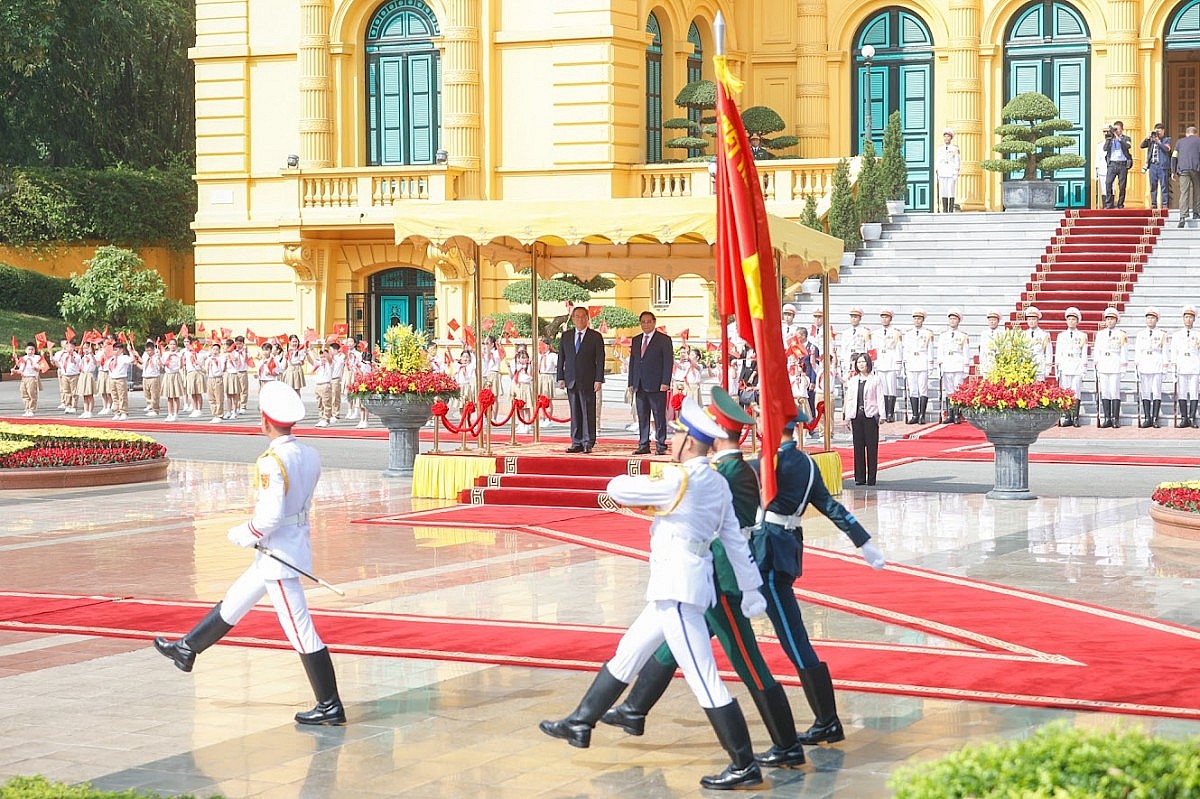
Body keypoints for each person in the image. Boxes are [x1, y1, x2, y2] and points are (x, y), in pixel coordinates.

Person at [538, 398, 769, 790]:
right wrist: (751, 590)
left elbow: (618, 488)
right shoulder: (715, 482)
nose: (673, 439)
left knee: (703, 678)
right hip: (675, 586)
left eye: (678, 434)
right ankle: (581, 722)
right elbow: (735, 543)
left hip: (678, 590)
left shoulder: (683, 480)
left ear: (690, 444)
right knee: (628, 653)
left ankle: (744, 763)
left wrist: (652, 479)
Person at [600, 388, 807, 770]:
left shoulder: (727, 474)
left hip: (723, 581)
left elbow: (714, 524)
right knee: (668, 644)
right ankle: (633, 708)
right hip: (707, 578)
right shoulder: (726, 471)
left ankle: (785, 744)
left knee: (748, 663)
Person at [154, 381, 345, 726]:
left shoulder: (273, 461)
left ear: (266, 421)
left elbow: (271, 516)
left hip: (279, 556)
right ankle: (187, 649)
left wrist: (245, 533)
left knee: (300, 629)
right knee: (236, 600)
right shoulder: (310, 453)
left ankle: (330, 704)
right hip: (288, 545)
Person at [750, 413, 886, 745]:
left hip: (767, 554)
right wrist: (863, 541)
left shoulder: (768, 463)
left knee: (794, 640)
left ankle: (827, 720)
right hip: (784, 549)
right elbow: (830, 506)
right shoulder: (809, 464)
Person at [557, 306, 605, 453]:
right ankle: (576, 441)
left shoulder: (595, 336)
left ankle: (588, 441)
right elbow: (561, 358)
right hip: (571, 379)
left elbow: (600, 360)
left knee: (588, 411)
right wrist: (560, 377)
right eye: (577, 316)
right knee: (575, 411)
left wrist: (599, 379)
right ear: (572, 319)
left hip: (588, 380)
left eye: (583, 316)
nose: (580, 319)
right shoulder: (566, 336)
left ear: (587, 318)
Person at [628, 311, 673, 455]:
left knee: (659, 415)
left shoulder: (663, 340)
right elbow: (633, 362)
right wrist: (631, 382)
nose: (646, 324)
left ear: (654, 322)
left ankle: (660, 444)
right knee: (642, 415)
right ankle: (643, 444)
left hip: (657, 384)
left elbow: (668, 362)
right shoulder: (636, 340)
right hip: (639, 384)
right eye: (643, 322)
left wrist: (665, 382)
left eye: (648, 321)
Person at [843, 353, 884, 486]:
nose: (861, 364)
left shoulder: (875, 379)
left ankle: (871, 477)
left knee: (871, 448)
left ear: (868, 364)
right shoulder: (853, 380)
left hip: (870, 416)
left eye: (863, 362)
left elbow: (880, 398)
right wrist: (847, 416)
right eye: (859, 362)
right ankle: (859, 477)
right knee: (858, 447)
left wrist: (881, 415)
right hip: (857, 416)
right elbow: (849, 399)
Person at [1135, 308, 1168, 428]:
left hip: (1157, 365)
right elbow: (1137, 351)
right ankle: (1147, 418)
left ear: (1157, 320)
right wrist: (1137, 366)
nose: (1150, 320)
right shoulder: (1140, 334)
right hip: (1144, 365)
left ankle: (1155, 419)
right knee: (1146, 393)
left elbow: (1165, 352)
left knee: (1157, 392)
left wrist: (1165, 368)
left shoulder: (1162, 334)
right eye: (1148, 318)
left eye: (1153, 318)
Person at [1054, 308, 1088, 427]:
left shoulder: (1083, 335)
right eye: (1069, 319)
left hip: (1077, 365)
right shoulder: (1061, 336)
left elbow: (1084, 353)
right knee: (1066, 392)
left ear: (1077, 321)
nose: (1071, 321)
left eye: (1074, 319)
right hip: (1065, 364)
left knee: (1076, 392)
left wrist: (1084, 368)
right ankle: (1067, 416)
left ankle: (1076, 417)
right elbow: (1058, 352)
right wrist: (1057, 367)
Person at [1095, 307, 1128, 428]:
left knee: (1115, 392)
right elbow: (1097, 351)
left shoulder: (1121, 334)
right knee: (1105, 393)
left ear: (1116, 320)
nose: (1110, 321)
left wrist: (1123, 367)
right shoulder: (1100, 334)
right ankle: (1107, 418)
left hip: (1115, 365)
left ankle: (1115, 418)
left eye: (1112, 319)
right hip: (1104, 365)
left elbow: (1124, 352)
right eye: (1108, 319)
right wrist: (1097, 365)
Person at [937, 310, 970, 423]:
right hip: (947, 364)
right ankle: (950, 414)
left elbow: (966, 352)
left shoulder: (963, 336)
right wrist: (940, 366)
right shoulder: (943, 335)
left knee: (957, 389)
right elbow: (940, 351)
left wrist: (966, 367)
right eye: (951, 319)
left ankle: (957, 414)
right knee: (949, 390)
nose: (952, 321)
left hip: (958, 363)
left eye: (955, 319)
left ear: (958, 321)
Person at [901, 309, 934, 424]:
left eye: (919, 318)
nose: (917, 320)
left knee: (923, 389)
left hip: (922, 362)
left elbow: (930, 350)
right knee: (913, 390)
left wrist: (930, 365)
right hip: (911, 363)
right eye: (915, 318)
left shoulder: (928, 333)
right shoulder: (908, 333)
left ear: (923, 320)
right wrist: (904, 365)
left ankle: (922, 415)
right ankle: (915, 415)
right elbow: (905, 350)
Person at [1172, 305, 1199, 427]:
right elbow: (1174, 351)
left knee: (1194, 392)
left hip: (1194, 366)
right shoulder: (1177, 335)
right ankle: (1184, 418)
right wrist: (1174, 367)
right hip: (1182, 365)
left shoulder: (1198, 334)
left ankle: (1193, 418)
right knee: (1182, 392)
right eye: (1186, 317)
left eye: (1191, 317)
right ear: (1183, 319)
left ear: (1194, 319)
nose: (1188, 319)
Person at [874, 309, 902, 422]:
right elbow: (873, 350)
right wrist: (874, 364)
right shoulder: (876, 333)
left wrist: (898, 365)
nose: (884, 319)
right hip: (880, 363)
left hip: (891, 363)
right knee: (883, 389)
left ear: (890, 319)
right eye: (883, 317)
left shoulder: (896, 333)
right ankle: (884, 412)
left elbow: (899, 349)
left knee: (891, 389)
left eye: (887, 317)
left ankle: (891, 413)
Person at [11, 342, 49, 416]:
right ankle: (27, 409)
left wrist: (38, 367)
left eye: (32, 349)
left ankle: (32, 409)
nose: (30, 351)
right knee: (24, 394)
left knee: (32, 394)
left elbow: (42, 366)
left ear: (34, 350)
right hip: (24, 378)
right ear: (25, 350)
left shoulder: (37, 358)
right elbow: (21, 370)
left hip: (32, 377)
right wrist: (14, 371)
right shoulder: (23, 358)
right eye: (29, 349)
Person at [1173, 126, 1200, 227]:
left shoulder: (1180, 142)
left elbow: (1174, 156)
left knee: (1184, 192)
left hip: (1183, 169)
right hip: (1196, 169)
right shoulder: (1199, 141)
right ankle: (1196, 214)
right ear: (1196, 133)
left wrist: (1173, 170)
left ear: (1186, 133)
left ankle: (1182, 217)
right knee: (1197, 191)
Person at [1141, 123, 1172, 210]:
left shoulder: (1167, 139)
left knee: (1164, 186)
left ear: (1163, 131)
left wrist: (1158, 141)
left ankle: (1165, 205)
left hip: (1162, 166)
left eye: (1159, 131)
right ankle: (1154, 204)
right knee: (1153, 186)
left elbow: (1167, 149)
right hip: (1153, 166)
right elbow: (1142, 146)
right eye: (1156, 131)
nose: (1157, 133)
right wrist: (1148, 137)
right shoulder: (1151, 140)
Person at [1102, 120, 1133, 209]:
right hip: (1112, 164)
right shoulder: (1110, 138)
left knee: (1122, 185)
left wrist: (1118, 138)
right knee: (1108, 183)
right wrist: (1109, 139)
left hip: (1122, 164)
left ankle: (1120, 204)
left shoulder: (1126, 138)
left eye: (1118, 129)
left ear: (1122, 129)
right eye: (1115, 129)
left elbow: (1128, 146)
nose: (1116, 131)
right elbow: (1105, 148)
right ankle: (1109, 203)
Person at [935, 128, 961, 213]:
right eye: (945, 136)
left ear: (951, 138)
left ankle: (950, 210)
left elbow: (957, 160)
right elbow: (938, 161)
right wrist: (938, 171)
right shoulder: (940, 149)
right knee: (944, 191)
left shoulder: (955, 149)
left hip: (951, 172)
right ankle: (945, 209)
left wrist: (956, 173)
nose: (946, 138)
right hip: (942, 172)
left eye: (948, 136)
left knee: (951, 191)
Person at [1024, 307, 1052, 381]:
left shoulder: (1044, 334)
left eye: (1033, 319)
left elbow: (1048, 353)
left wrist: (1048, 368)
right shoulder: (1023, 334)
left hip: (1039, 366)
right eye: (1029, 319)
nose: (1031, 322)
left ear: (1038, 320)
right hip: (1026, 367)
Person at [978, 309, 1004, 376]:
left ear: (998, 321)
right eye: (990, 320)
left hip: (998, 365)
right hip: (987, 364)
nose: (992, 322)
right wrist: (982, 366)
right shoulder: (984, 334)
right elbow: (982, 351)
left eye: (994, 320)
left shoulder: (1002, 333)